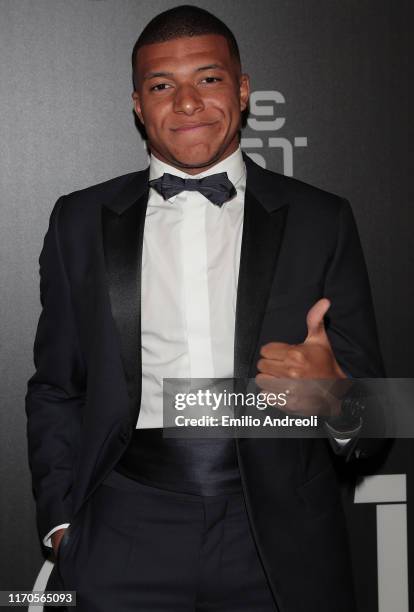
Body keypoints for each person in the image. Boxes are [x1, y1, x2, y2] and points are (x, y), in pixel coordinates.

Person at [26, 5, 385, 611]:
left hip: (275, 534)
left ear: (243, 91)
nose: (187, 102)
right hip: (123, 525)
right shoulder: (79, 220)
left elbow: (376, 418)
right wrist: (62, 523)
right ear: (138, 104)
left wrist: (337, 398)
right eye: (162, 85)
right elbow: (57, 388)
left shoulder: (323, 219)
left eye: (209, 79)